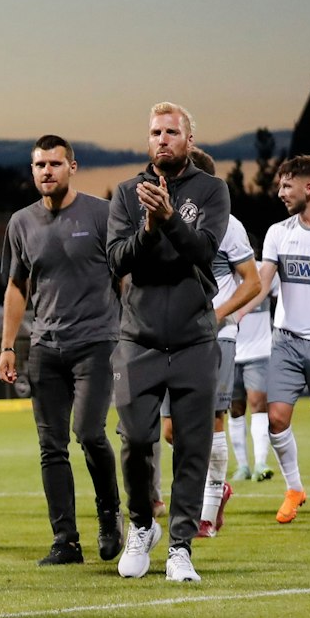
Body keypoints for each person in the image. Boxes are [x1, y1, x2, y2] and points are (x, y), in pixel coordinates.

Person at [106, 102, 229, 582]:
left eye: (171, 132)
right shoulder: (124, 193)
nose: (162, 139)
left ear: (188, 140)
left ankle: (180, 547)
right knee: (135, 440)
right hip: (138, 340)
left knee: (193, 447)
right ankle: (141, 525)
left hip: (195, 341)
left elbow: (202, 252)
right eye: (155, 131)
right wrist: (150, 226)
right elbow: (118, 261)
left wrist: (172, 218)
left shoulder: (212, 190)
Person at [0, 135, 123, 565]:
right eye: (39, 165)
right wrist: (7, 346)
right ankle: (65, 541)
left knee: (89, 433)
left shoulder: (103, 214)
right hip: (45, 347)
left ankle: (110, 515)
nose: (46, 171)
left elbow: (125, 276)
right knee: (51, 446)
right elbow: (16, 287)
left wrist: (131, 333)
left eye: (54, 163)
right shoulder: (21, 223)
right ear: (32, 171)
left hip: (97, 343)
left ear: (73, 166)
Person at [186, 147, 260, 537]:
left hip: (219, 336)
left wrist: (216, 317)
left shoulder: (228, 225)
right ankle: (213, 489)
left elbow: (253, 282)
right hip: (174, 337)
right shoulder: (168, 221)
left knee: (214, 419)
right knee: (171, 430)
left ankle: (208, 508)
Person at [258, 154, 310, 525]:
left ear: (308, 187)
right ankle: (294, 488)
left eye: (287, 186)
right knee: (277, 419)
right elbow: (262, 283)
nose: (280, 193)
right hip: (286, 340)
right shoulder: (278, 232)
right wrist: (232, 315)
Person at [227, 285, 275, 483]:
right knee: (235, 409)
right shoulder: (224, 272)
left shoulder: (264, 272)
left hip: (259, 352)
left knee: (258, 403)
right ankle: (242, 465)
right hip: (230, 350)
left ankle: (260, 462)